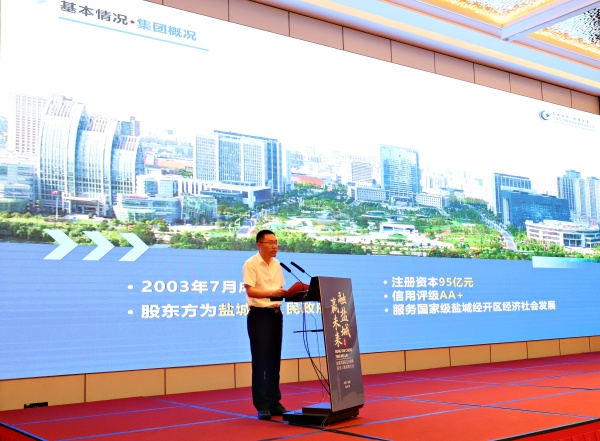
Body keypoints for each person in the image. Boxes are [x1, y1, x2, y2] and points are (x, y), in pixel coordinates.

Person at [243, 229, 289, 420]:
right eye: (270, 242)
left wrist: (286, 293)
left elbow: (279, 289)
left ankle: (274, 402)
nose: (275, 246)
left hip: (276, 315)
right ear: (259, 245)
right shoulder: (251, 264)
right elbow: (251, 291)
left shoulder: (277, 264)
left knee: (273, 360)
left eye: (276, 242)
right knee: (260, 361)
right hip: (259, 316)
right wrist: (273, 293)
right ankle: (262, 405)